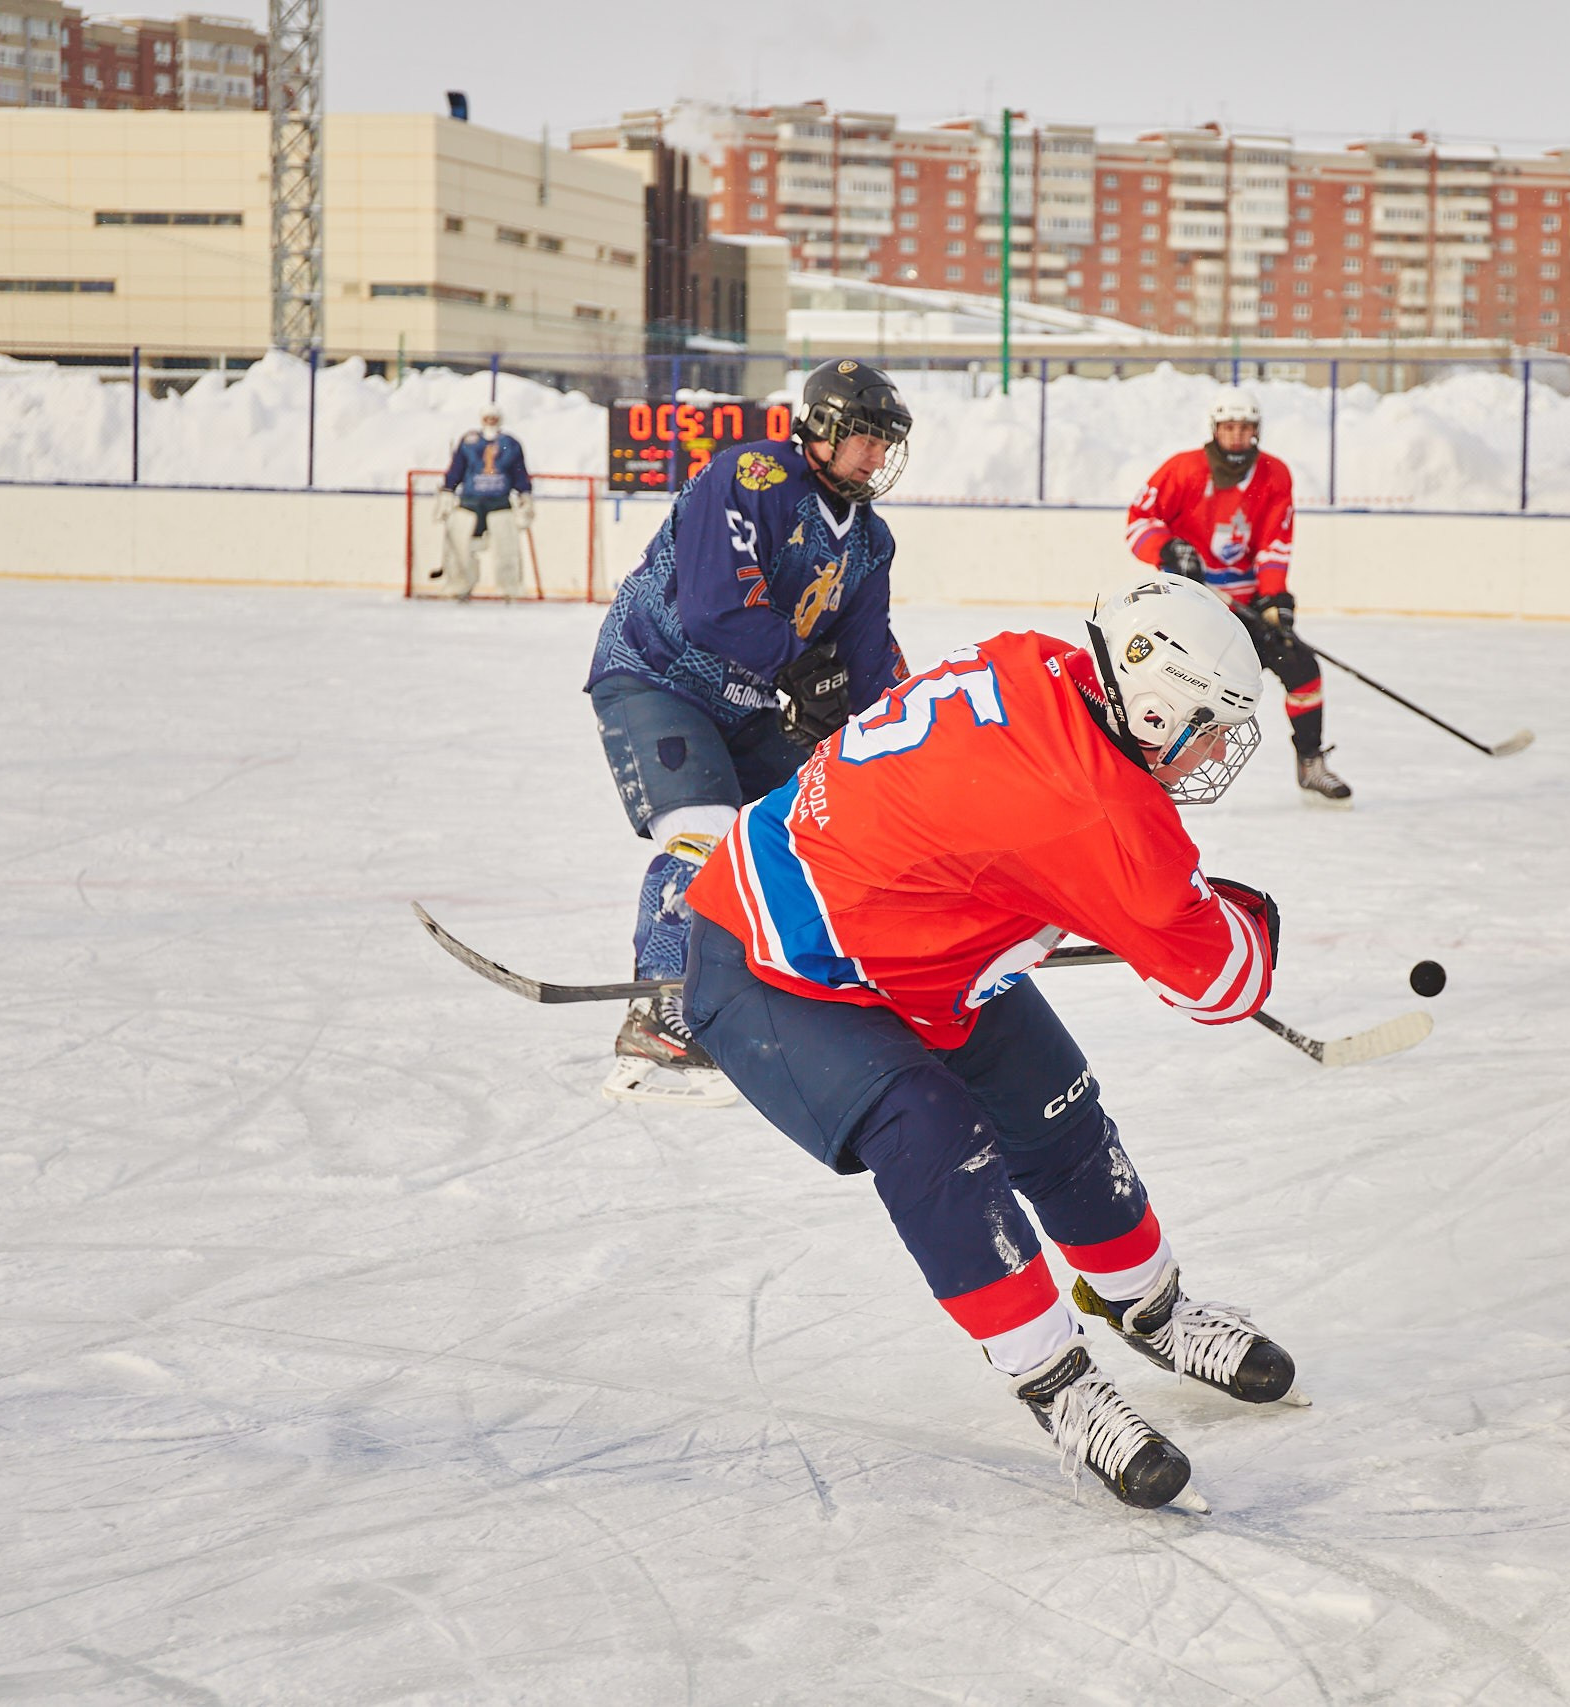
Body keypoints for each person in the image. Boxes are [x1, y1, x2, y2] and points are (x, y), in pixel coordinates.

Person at [675, 575, 1299, 1510]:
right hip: (771, 963)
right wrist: (1236, 913)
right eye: (1208, 726)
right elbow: (1222, 985)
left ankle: (1151, 1308)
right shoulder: (1105, 819)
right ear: (1155, 706)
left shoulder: (1037, 659)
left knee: (1056, 1104)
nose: (1214, 750)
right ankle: (1056, 1380)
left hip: (907, 941)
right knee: (935, 1137)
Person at [585, 358, 914, 1104]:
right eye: (864, 437)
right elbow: (713, 607)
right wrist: (800, 665)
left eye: (885, 442)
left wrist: (906, 735)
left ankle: (792, 991)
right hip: (658, 675)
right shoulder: (753, 476)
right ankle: (661, 1010)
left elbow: (867, 662)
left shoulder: (870, 542)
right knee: (705, 832)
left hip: (754, 703)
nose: (876, 456)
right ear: (822, 429)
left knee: (820, 830)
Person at [1125, 387, 1351, 805]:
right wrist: (1167, 549)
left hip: (1244, 608)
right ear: (1215, 428)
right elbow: (1138, 522)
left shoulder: (1274, 475)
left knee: (1303, 670)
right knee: (1181, 691)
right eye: (1229, 427)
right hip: (1191, 607)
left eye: (1244, 427)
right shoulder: (1183, 470)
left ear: (1256, 430)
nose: (1236, 435)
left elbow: (1274, 544)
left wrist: (1274, 599)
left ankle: (1311, 764)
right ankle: (1150, 771)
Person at [431, 404, 533, 600]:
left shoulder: (510, 443)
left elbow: (519, 471)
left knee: (507, 548)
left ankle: (509, 588)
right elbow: (457, 468)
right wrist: (448, 489)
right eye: (487, 417)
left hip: (499, 502)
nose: (490, 421)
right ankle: (460, 585)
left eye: (494, 417)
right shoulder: (468, 441)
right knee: (460, 548)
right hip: (470, 502)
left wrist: (524, 493)